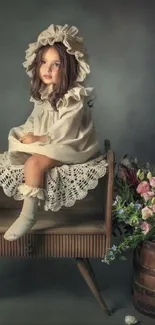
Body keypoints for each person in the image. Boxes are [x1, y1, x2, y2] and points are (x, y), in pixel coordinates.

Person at [0, 24, 107, 241]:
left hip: (70, 143)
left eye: (55, 64)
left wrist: (38, 139)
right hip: (50, 139)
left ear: (68, 67)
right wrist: (29, 133)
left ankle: (28, 215)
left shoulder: (74, 97)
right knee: (17, 143)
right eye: (43, 62)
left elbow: (65, 129)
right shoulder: (46, 93)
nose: (47, 70)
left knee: (33, 164)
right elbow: (36, 119)